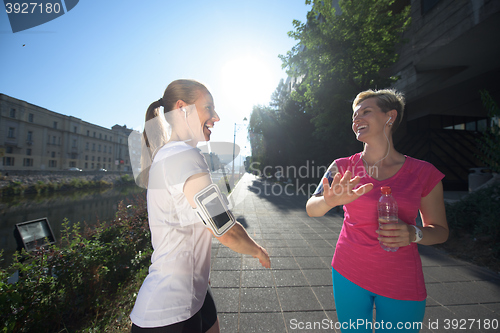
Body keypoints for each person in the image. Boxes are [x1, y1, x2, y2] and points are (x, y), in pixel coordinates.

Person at [130, 79, 271, 333]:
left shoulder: (166, 155)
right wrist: (257, 250)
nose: (216, 117)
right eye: (209, 107)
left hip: (193, 293)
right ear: (183, 109)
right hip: (170, 314)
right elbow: (224, 229)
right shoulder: (186, 156)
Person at [306, 89, 449, 332]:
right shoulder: (342, 166)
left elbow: (440, 231)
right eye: (354, 115)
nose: (356, 119)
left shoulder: (424, 173)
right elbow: (312, 207)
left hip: (401, 279)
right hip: (348, 272)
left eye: (366, 112)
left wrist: (414, 234)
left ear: (390, 117)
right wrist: (330, 201)